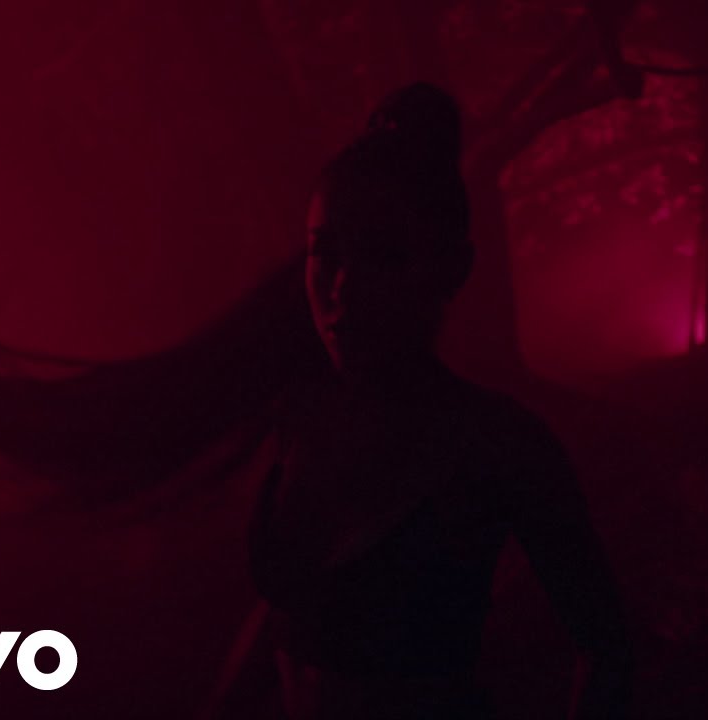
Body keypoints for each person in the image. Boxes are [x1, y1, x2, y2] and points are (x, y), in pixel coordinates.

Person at [223, 83, 632, 720]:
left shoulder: (499, 445)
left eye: (384, 255)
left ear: (452, 267)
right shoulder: (305, 417)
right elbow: (288, 617)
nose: (343, 286)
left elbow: (607, 648)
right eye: (325, 253)